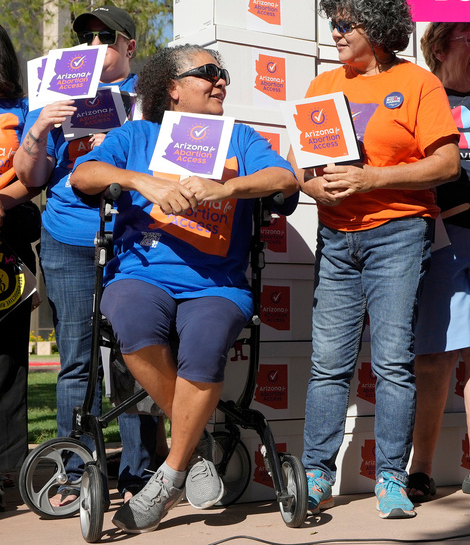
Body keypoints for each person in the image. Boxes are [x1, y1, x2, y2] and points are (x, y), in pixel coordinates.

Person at [68, 44, 299, 533]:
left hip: (216, 283)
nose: (221, 81)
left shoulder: (238, 137)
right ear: (172, 88)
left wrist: (226, 188)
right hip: (141, 275)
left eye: (223, 74)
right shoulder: (137, 134)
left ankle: (170, 474)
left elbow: (284, 177)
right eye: (208, 73)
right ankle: (194, 445)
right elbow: (84, 175)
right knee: (129, 315)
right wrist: (141, 182)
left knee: (207, 339)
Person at [297, 0, 460, 520]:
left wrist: (371, 180)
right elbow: (305, 166)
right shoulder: (322, 86)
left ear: (381, 25)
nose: (337, 31)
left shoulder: (418, 83)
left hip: (398, 233)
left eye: (349, 22)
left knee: (392, 362)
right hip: (337, 236)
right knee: (328, 365)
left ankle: (391, 477)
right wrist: (309, 184)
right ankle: (315, 474)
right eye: (333, 22)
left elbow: (446, 163)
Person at [14, 5, 159, 505]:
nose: (94, 45)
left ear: (129, 46)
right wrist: (37, 131)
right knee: (76, 359)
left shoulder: (149, 98)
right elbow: (32, 179)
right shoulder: (54, 96)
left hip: (134, 240)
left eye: (106, 37)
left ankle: (139, 471)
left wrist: (116, 147)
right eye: (86, 37)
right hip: (69, 238)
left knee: (132, 356)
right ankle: (73, 468)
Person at [406, 21, 470, 501]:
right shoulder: (419, 95)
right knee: (432, 358)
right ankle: (421, 469)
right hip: (437, 240)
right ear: (438, 47)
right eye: (468, 40)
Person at [0, 24, 42, 510]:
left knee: (7, 362)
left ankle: (9, 471)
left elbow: (33, 177)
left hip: (8, 245)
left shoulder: (24, 110)